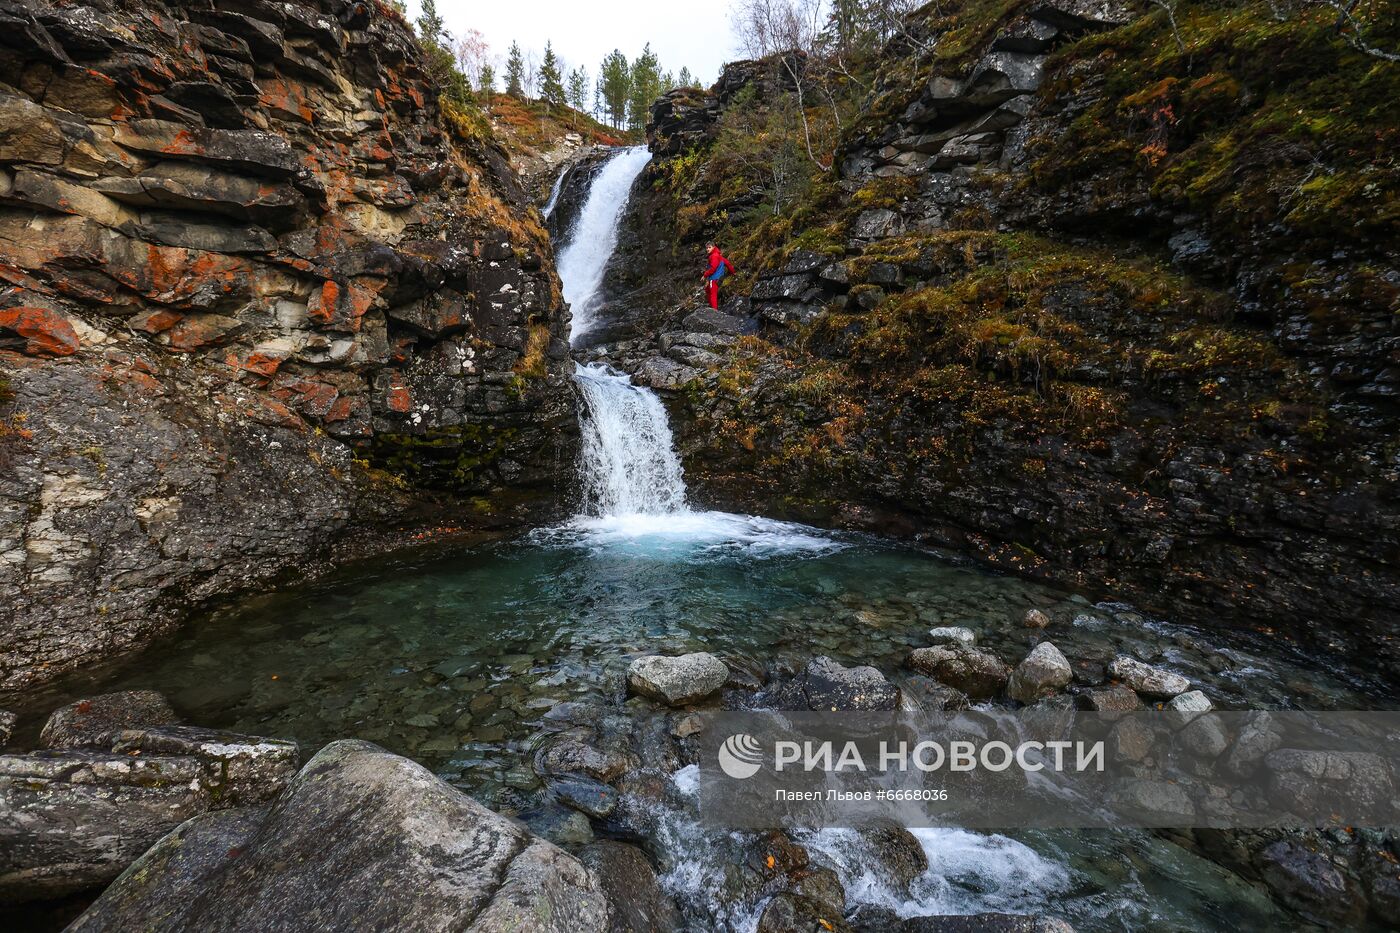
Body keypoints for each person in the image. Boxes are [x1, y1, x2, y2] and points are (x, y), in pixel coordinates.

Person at [702, 242, 734, 310]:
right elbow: (728, 263)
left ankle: (714, 311)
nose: (707, 249)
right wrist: (732, 272)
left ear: (713, 247)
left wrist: (705, 275)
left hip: (714, 279)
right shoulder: (718, 255)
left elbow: (713, 269)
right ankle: (712, 308)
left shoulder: (714, 256)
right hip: (718, 278)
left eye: (709, 247)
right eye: (707, 248)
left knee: (713, 294)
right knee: (707, 289)